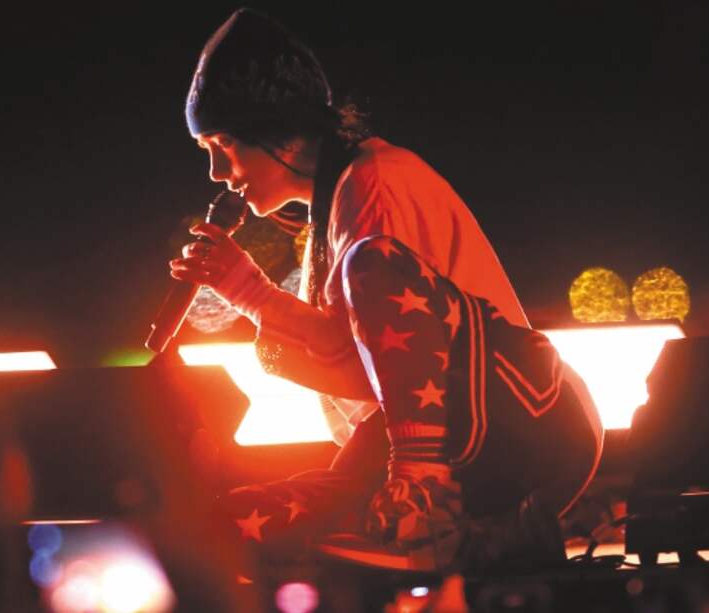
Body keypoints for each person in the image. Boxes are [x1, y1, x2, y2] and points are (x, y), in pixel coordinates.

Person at [170, 7, 603, 575]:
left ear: (273, 128)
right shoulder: (332, 209)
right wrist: (248, 294)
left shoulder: (375, 182)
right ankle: (483, 540)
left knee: (370, 260)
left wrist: (250, 292)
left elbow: (398, 349)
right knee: (221, 535)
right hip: (450, 459)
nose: (216, 173)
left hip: (514, 424)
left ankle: (422, 500)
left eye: (223, 144)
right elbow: (374, 371)